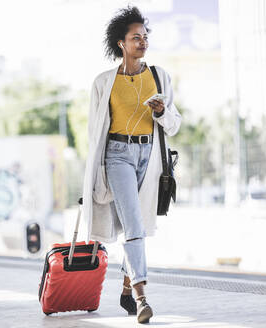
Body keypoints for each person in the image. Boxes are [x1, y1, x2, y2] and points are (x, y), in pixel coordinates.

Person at [82, 5, 181, 324]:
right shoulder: (103, 82)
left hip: (149, 157)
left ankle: (126, 288)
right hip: (117, 155)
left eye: (145, 36)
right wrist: (95, 175)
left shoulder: (159, 76)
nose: (143, 41)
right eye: (135, 37)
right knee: (134, 226)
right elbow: (93, 133)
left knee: (135, 225)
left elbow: (174, 124)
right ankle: (141, 298)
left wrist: (160, 111)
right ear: (121, 43)